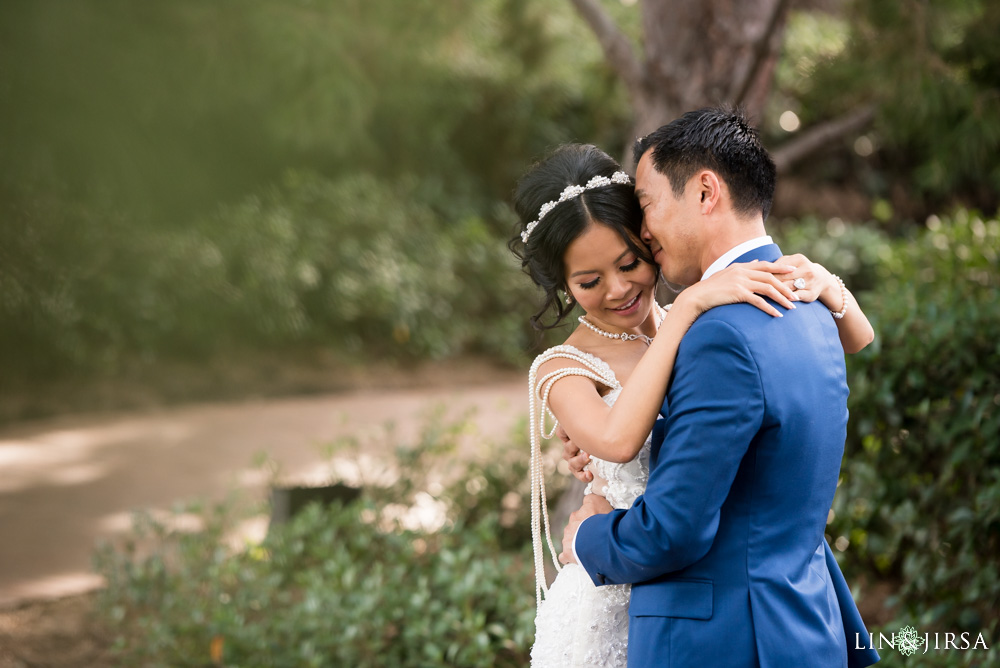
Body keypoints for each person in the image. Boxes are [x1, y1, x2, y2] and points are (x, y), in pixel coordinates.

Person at [511, 140, 873, 666]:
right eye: (588, 282)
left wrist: (824, 282)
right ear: (563, 285)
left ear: (646, 240)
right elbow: (616, 440)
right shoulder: (563, 366)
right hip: (611, 591)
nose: (617, 289)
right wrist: (686, 309)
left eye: (630, 262)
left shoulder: (711, 321)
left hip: (694, 593)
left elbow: (858, 338)